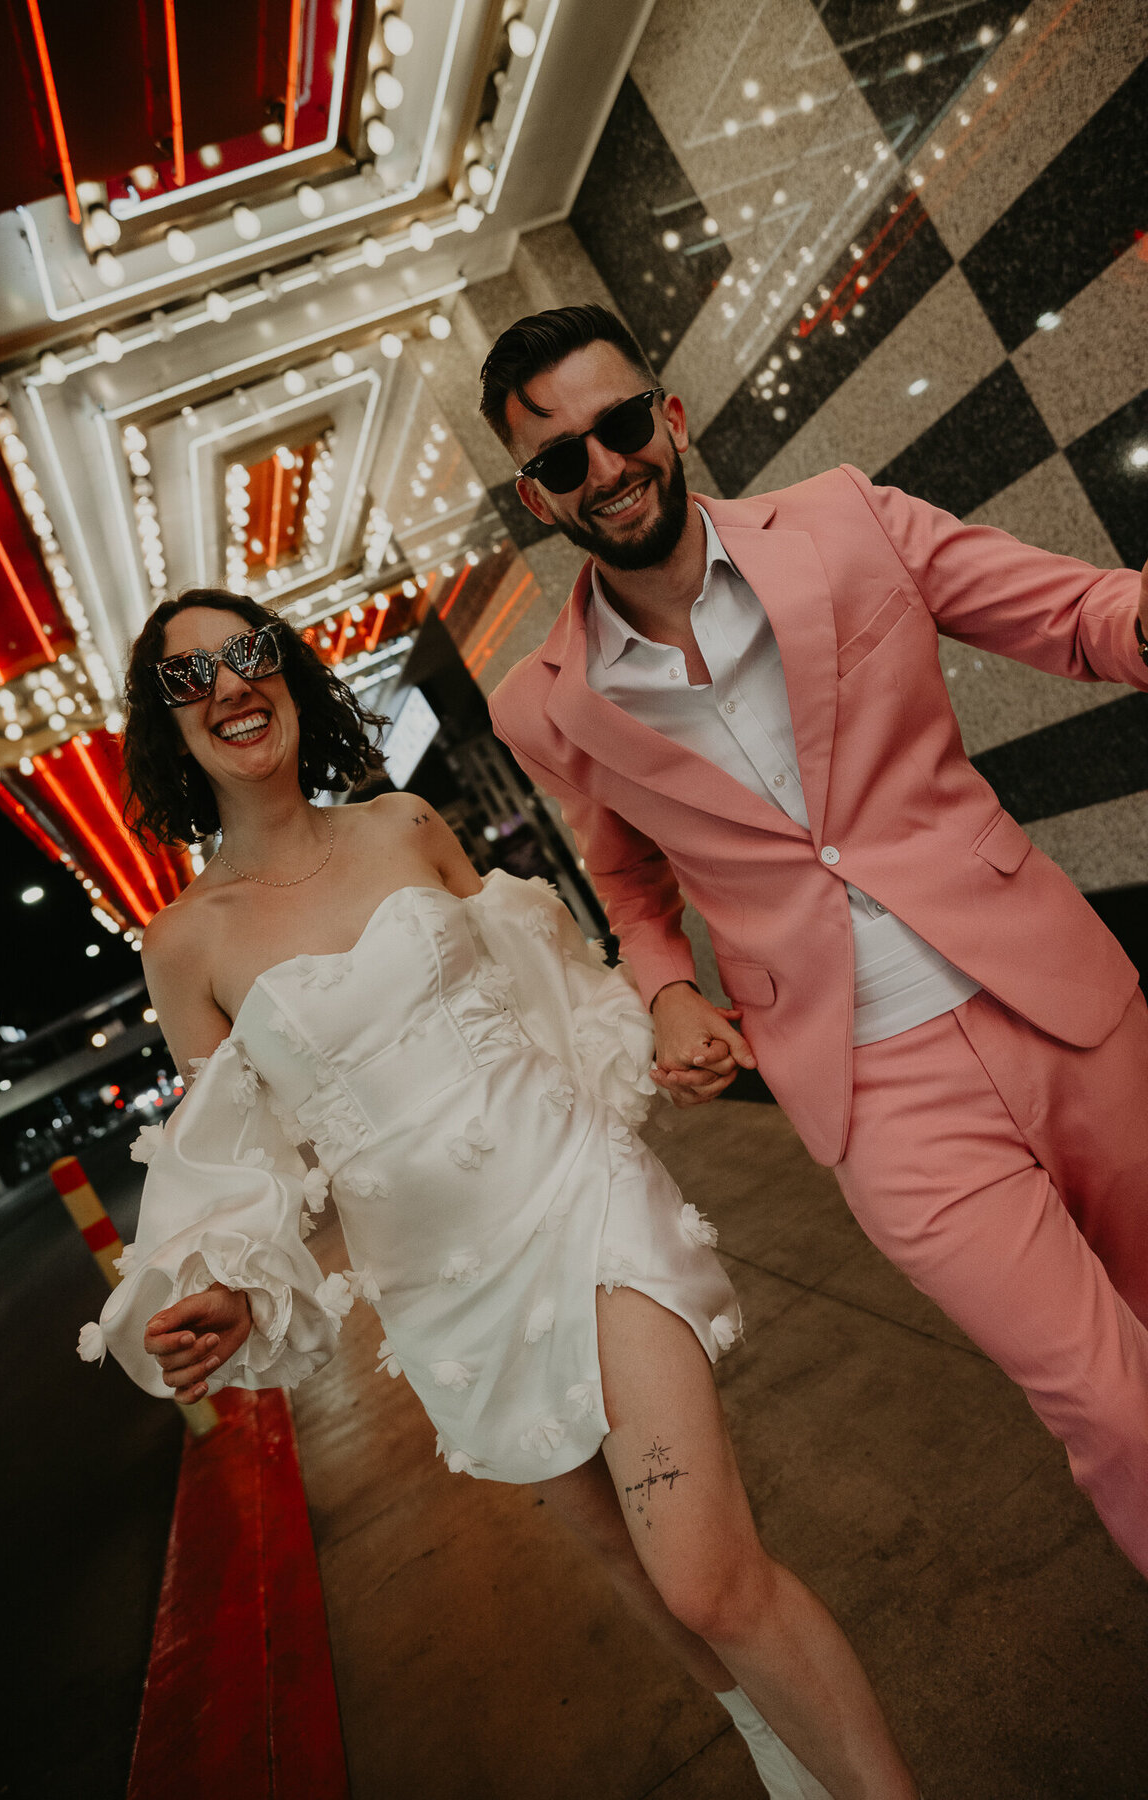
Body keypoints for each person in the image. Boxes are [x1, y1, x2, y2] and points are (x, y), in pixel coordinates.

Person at [79, 589, 920, 1800]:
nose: (227, 685)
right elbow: (242, 1156)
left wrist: (653, 1033)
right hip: (440, 1296)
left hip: (577, 1196)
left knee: (697, 1572)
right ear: (164, 725)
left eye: (248, 654)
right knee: (636, 1578)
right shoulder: (184, 945)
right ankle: (784, 1753)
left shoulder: (408, 825)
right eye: (188, 677)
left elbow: (548, 982)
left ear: (289, 674)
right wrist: (223, 1286)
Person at [481, 303, 1148, 1578]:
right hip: (873, 1086)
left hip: (1060, 998)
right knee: (1106, 1398)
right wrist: (669, 988)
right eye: (564, 458)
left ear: (668, 418)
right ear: (535, 494)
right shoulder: (546, 703)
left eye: (621, 426)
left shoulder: (846, 520)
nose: (606, 468)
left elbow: (1071, 614)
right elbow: (625, 879)